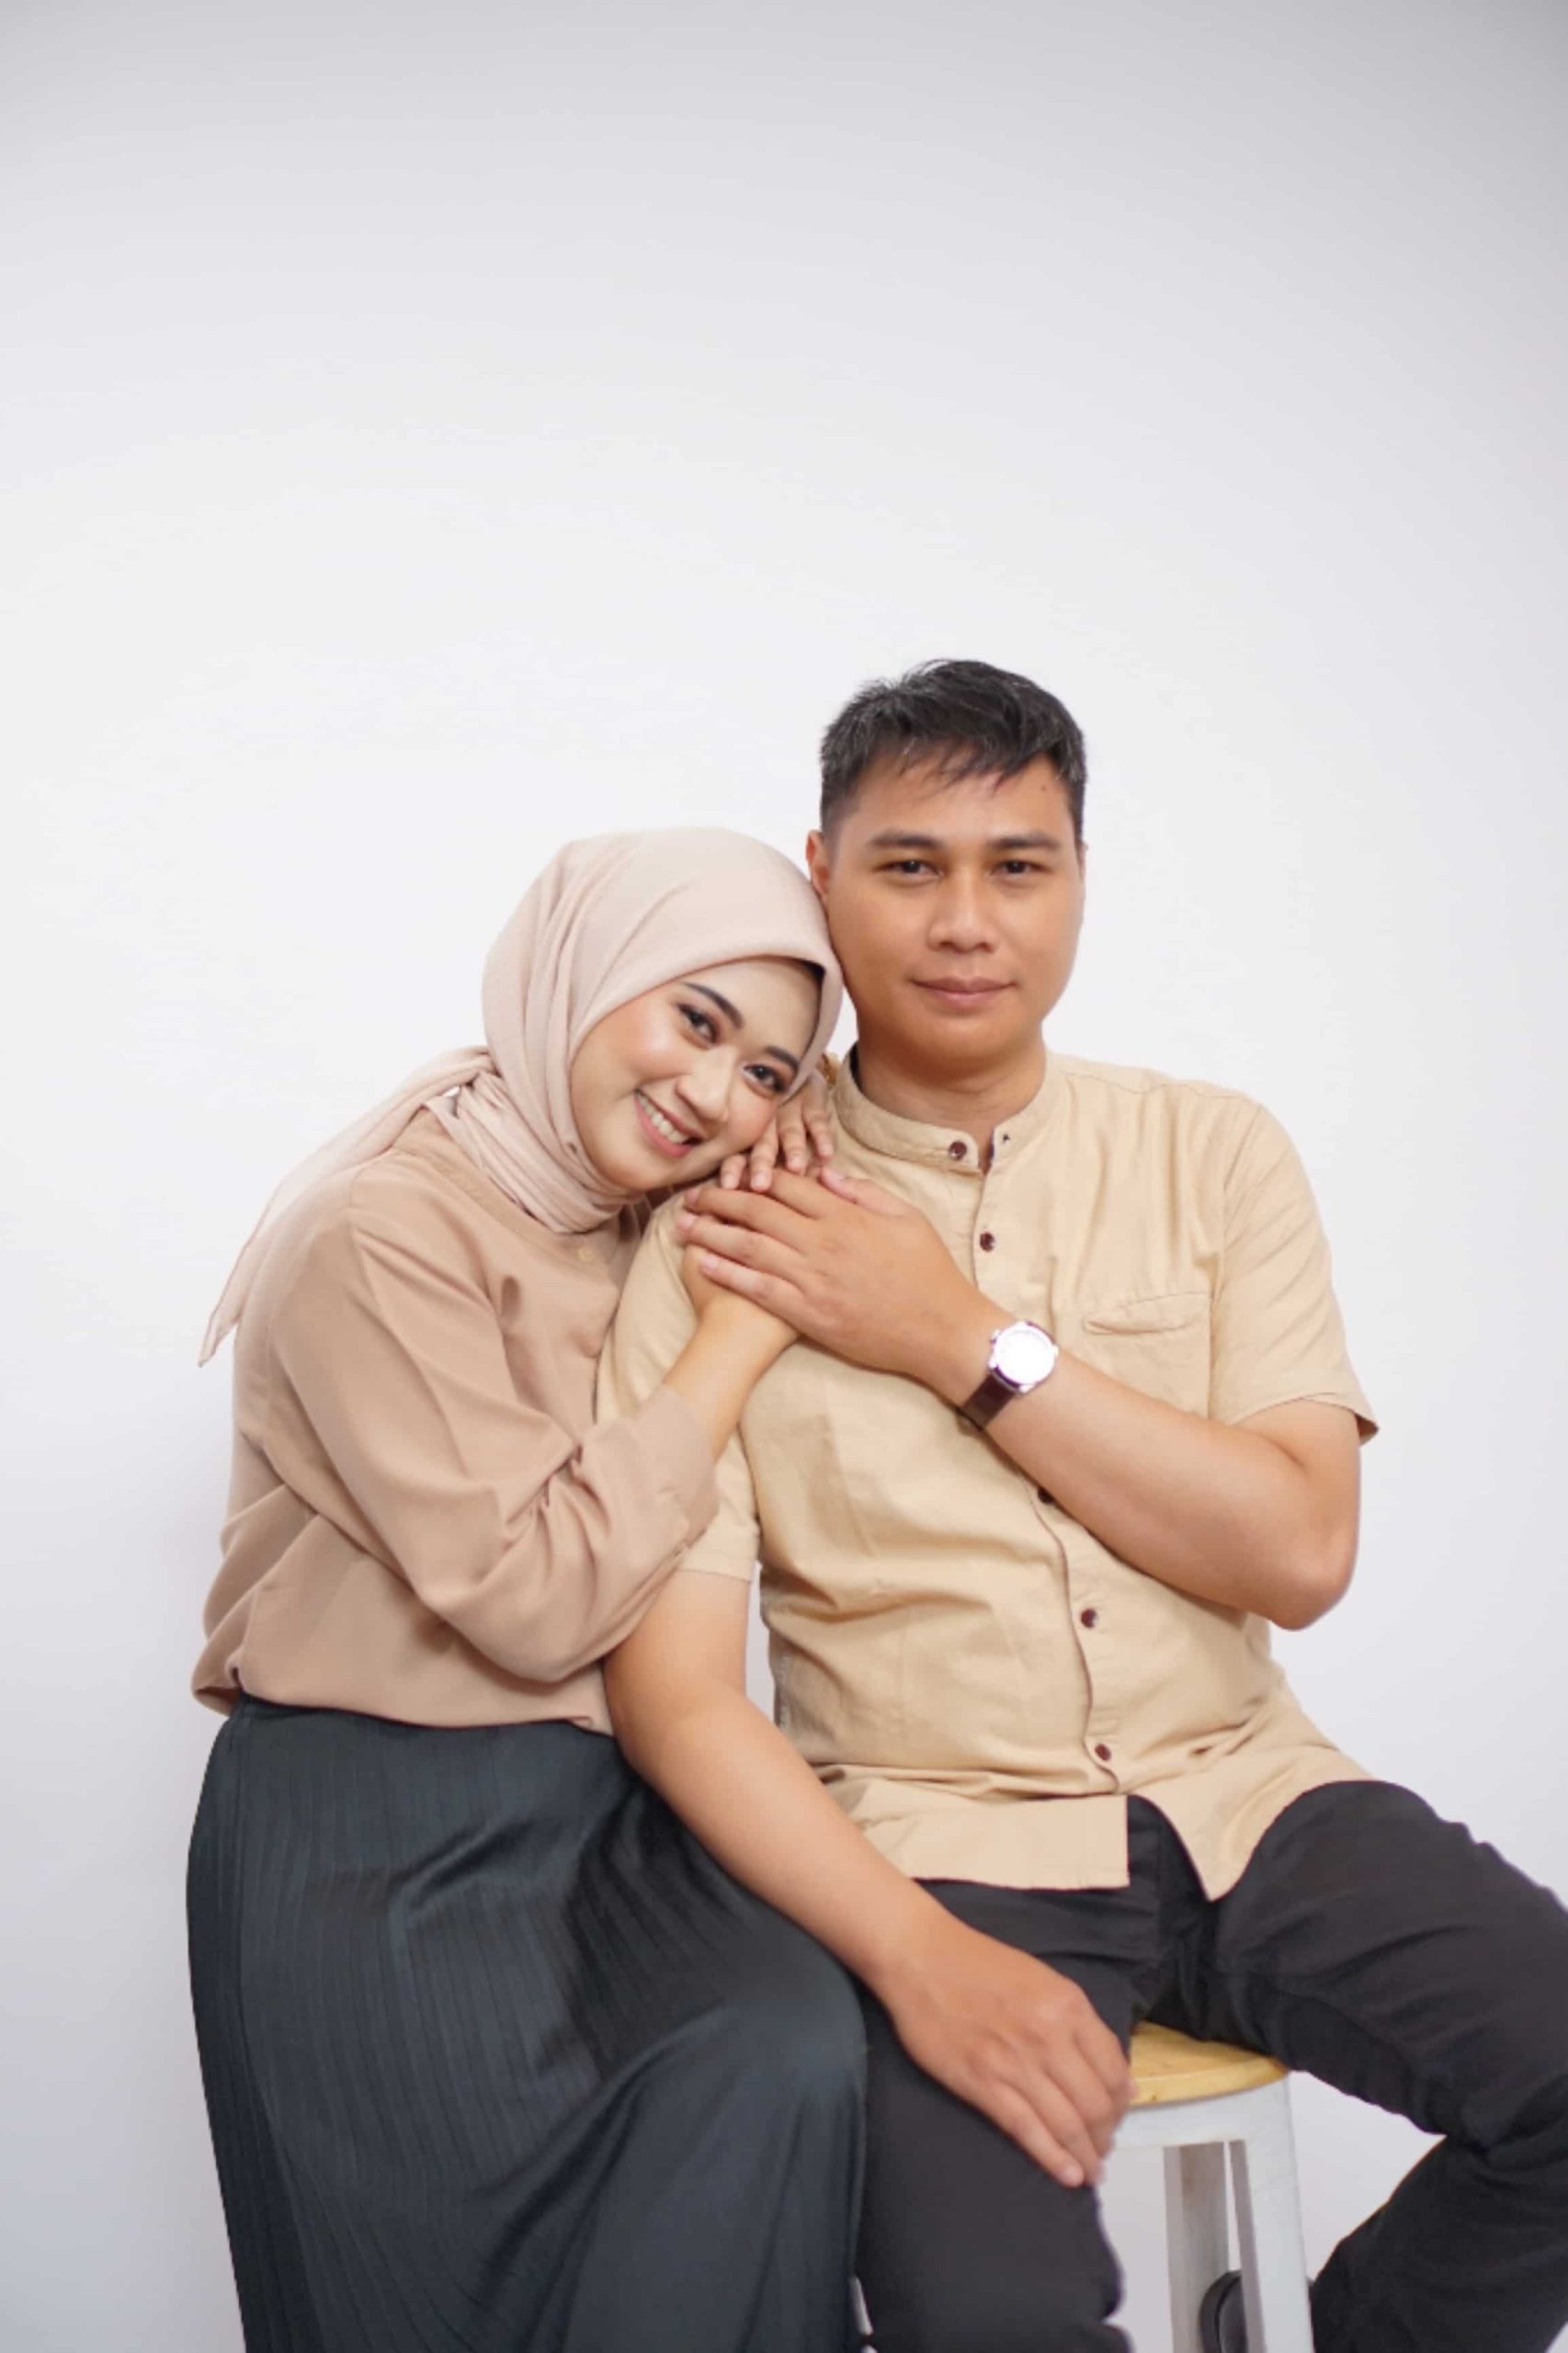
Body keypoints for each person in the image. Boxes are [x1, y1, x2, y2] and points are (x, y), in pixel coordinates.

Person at [598, 663, 1568, 2353]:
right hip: (940, 1847)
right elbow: (672, 1698)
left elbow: (1298, 1553)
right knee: (992, 2320)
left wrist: (953, 1334)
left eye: (1018, 866)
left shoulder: (1213, 1153)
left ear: (1079, 881)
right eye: (909, 866)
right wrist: (914, 1957)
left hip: (1252, 1800)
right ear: (820, 875)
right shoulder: (723, 1221)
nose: (965, 922)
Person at [187, 827, 866, 2353]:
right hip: (371, 1848)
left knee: (786, 2050)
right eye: (694, 1019)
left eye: (766, 1071)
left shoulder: (653, 1231)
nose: (714, 1091)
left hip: (615, 1826)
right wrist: (736, 1336)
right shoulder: (378, 1231)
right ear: (584, 972)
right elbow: (537, 1595)